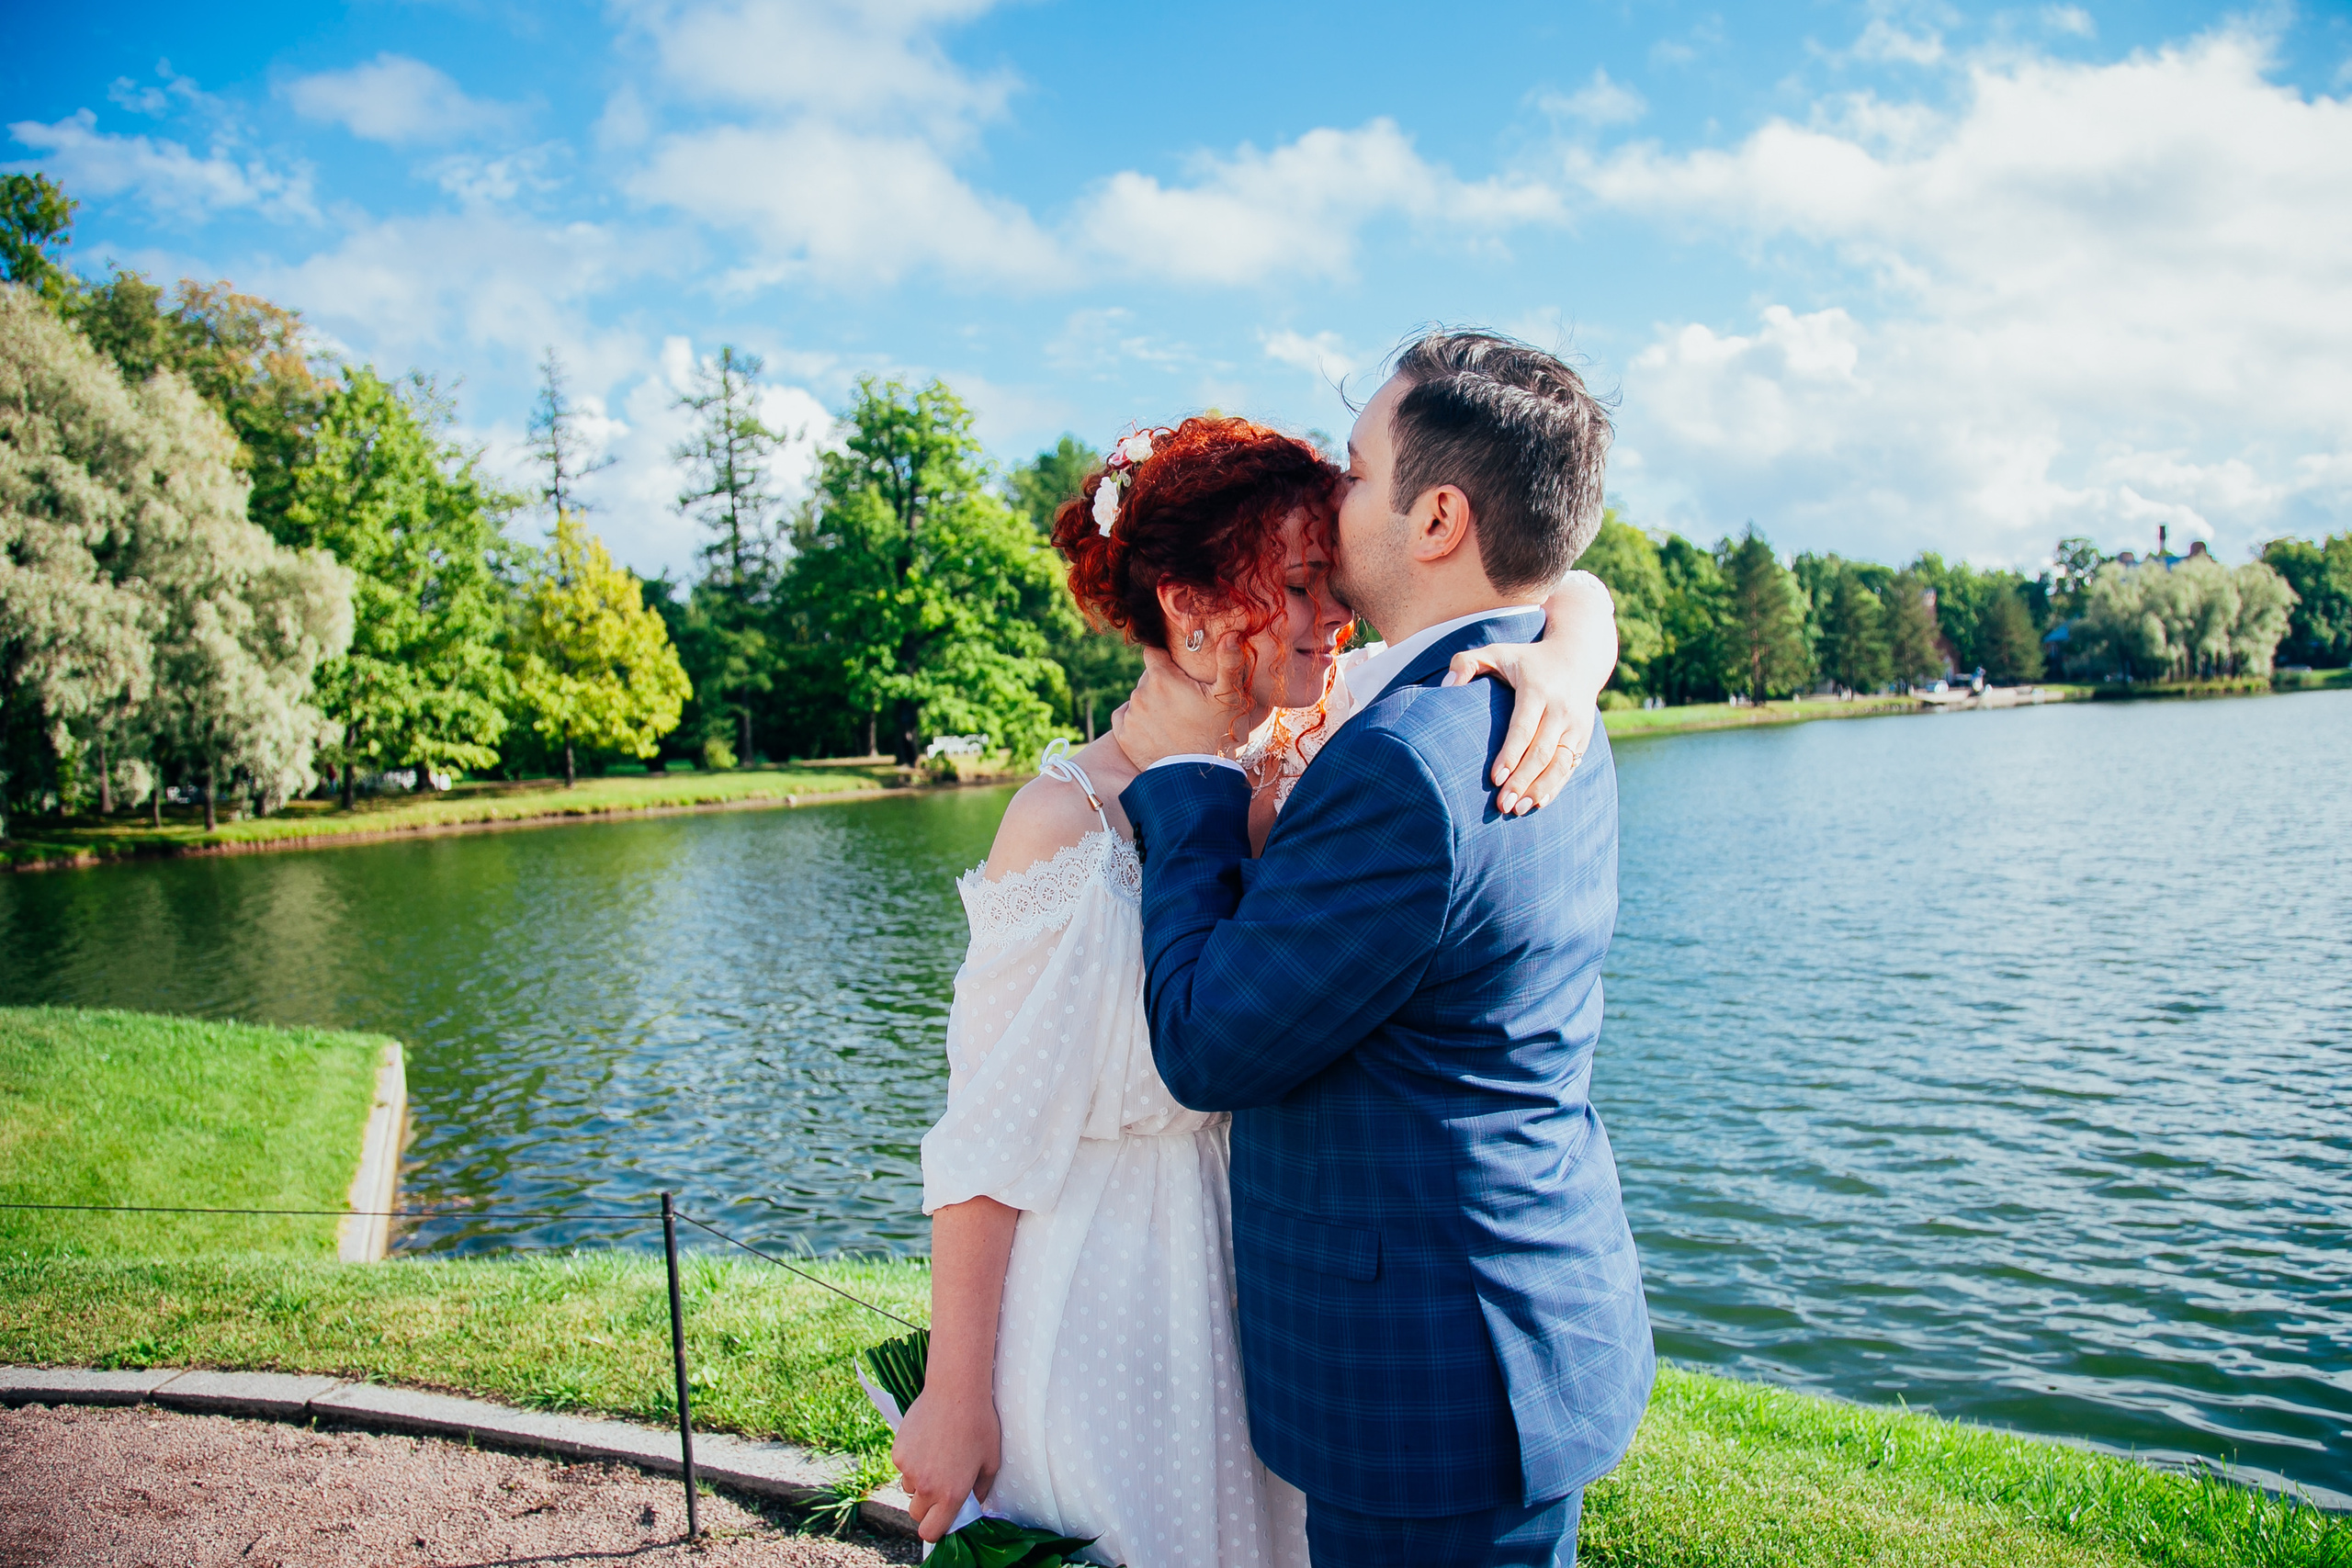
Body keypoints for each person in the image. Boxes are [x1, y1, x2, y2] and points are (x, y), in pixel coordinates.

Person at [892, 411, 1623, 1566]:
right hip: (1120, 1301)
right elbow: (986, 1137)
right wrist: (953, 1390)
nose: (1330, 615)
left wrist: (1569, 661)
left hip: (1294, 1314)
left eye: (1329, 581)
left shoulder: (1334, 723)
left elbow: (1547, 578)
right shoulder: (1060, 823)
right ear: (1185, 607)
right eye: (1293, 586)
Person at [1112, 332, 1654, 1568]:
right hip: (1514, 1323)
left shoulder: (1410, 760)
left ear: (1440, 517)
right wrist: (1583, 624)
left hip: (1433, 1378)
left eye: (1357, 471)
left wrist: (1193, 790)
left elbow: (1207, 1038)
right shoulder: (1536, 691)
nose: (1336, 492)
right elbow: (1572, 588)